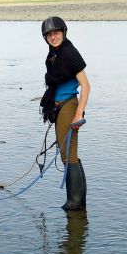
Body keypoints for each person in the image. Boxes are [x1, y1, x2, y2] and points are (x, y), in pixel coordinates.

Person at [39, 16, 91, 210]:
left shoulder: (69, 53)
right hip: (60, 106)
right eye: (49, 34)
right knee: (69, 153)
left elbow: (86, 85)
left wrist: (78, 114)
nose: (53, 37)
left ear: (64, 32)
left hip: (69, 106)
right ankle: (79, 201)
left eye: (56, 33)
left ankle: (74, 202)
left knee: (68, 155)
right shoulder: (55, 52)